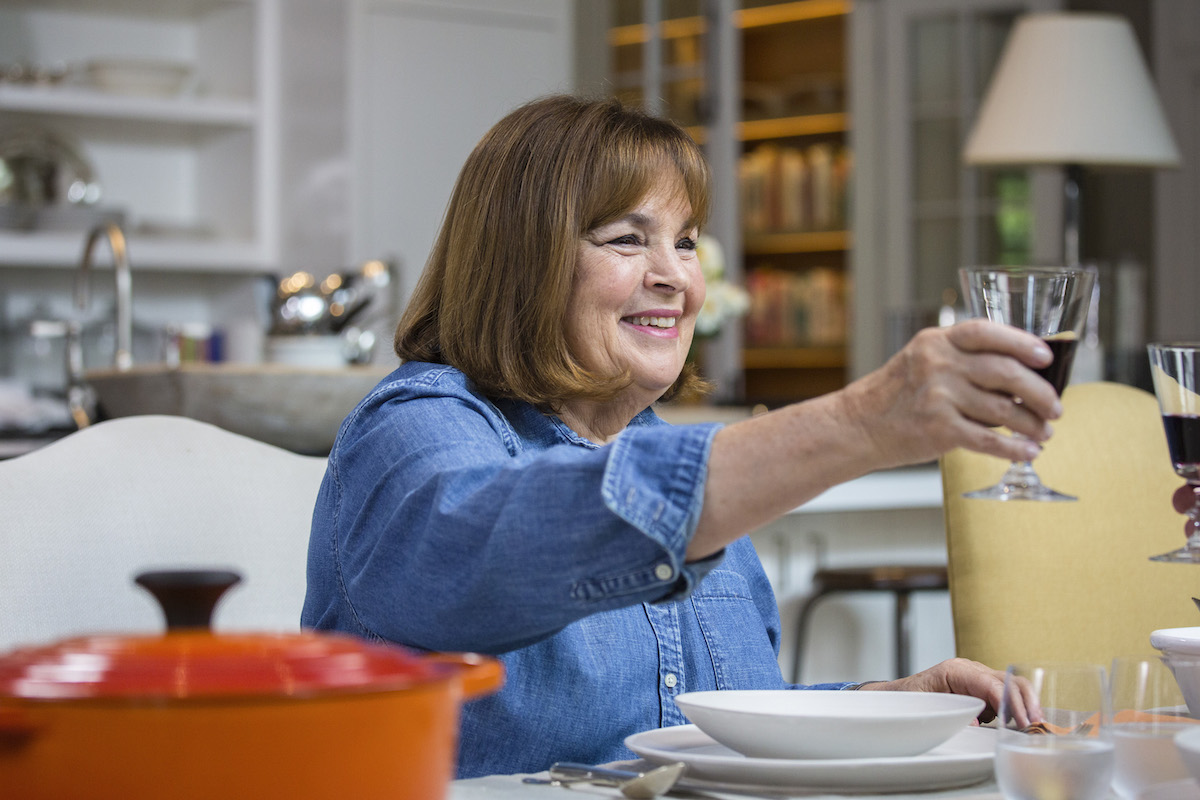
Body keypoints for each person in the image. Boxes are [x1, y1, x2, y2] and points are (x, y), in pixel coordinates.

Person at [302, 95, 1062, 778]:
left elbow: (716, 723)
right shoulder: (414, 427)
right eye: (628, 240)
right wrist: (863, 422)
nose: (676, 278)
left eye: (688, 241)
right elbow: (479, 566)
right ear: (521, 261)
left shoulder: (664, 455)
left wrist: (881, 705)